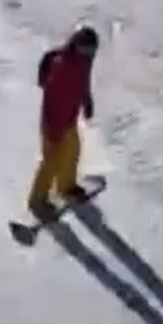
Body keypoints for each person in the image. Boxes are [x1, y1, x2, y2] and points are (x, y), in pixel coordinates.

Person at [27, 26, 100, 216]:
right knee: (52, 160)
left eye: (92, 51)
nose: (91, 55)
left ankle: (66, 186)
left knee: (72, 151)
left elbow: (83, 82)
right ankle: (37, 200)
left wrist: (86, 101)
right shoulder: (64, 67)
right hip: (53, 121)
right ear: (79, 46)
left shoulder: (81, 61)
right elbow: (54, 98)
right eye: (89, 50)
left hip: (68, 118)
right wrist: (54, 127)